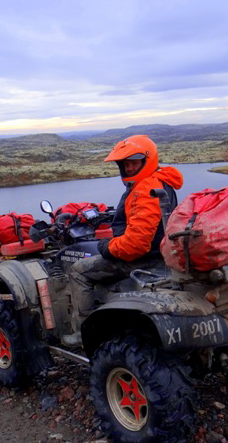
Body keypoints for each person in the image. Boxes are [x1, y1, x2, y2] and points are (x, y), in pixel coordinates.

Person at [62, 135, 183, 347]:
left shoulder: (146, 189)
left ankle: (83, 333)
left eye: (134, 163)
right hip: (162, 255)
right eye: (125, 164)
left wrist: (106, 247)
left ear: (147, 160)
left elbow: (136, 244)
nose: (128, 168)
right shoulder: (162, 181)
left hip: (142, 259)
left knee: (78, 270)